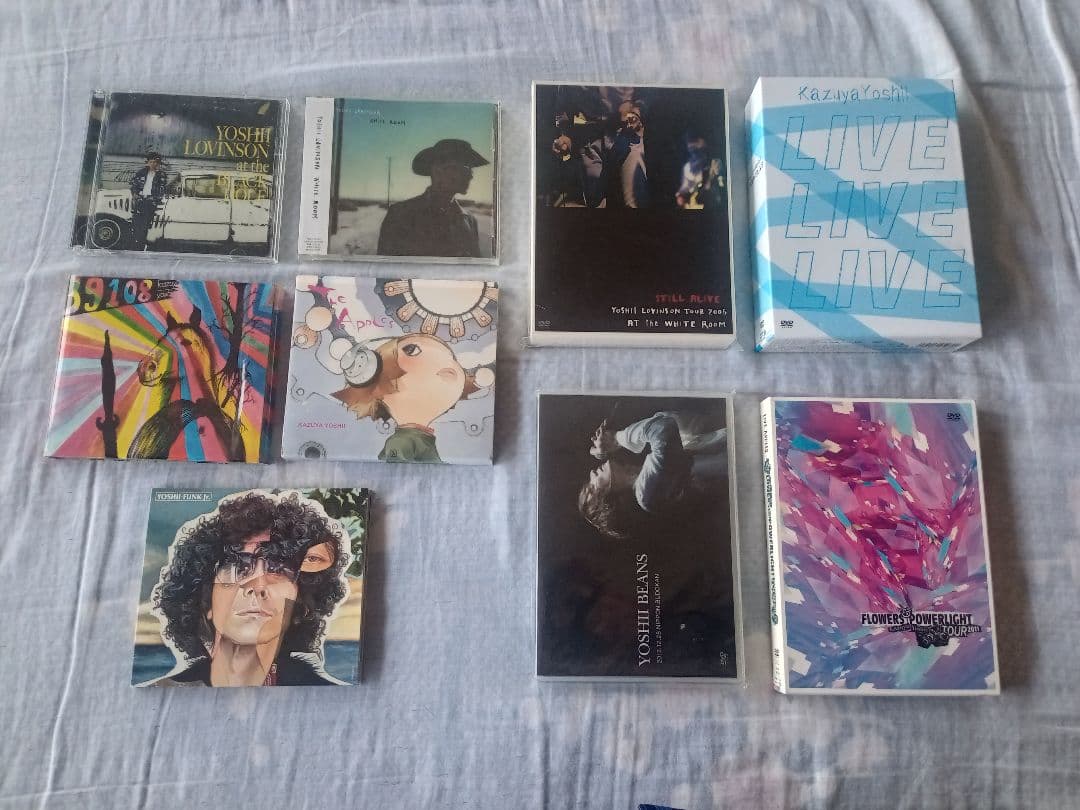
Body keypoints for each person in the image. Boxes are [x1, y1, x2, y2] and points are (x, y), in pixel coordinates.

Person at [144, 490, 351, 687]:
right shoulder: (162, 691)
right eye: (239, 568)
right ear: (206, 602)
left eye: (278, 570)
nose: (258, 586)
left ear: (301, 605)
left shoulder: (330, 697)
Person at [331, 333, 491, 463]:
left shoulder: (420, 438)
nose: (449, 364)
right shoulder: (401, 443)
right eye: (412, 350)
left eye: (452, 357)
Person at [579, 411, 727, 540]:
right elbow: (663, 427)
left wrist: (614, 442)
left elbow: (675, 421)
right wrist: (617, 438)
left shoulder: (647, 482)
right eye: (592, 488)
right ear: (609, 502)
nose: (591, 474)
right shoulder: (646, 495)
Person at [376, 139, 489, 258]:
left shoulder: (469, 221)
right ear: (438, 171)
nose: (471, 175)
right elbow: (387, 266)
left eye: (471, 170)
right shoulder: (401, 215)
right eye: (465, 168)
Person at [128, 151, 168, 250]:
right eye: (151, 162)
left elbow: (162, 190)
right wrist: (135, 194)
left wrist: (155, 199)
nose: (153, 164)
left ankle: (141, 244)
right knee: (136, 222)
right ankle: (136, 243)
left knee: (146, 223)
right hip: (139, 200)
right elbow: (134, 185)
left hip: (151, 202)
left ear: (158, 163)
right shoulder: (141, 172)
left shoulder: (161, 175)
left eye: (155, 162)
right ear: (147, 162)